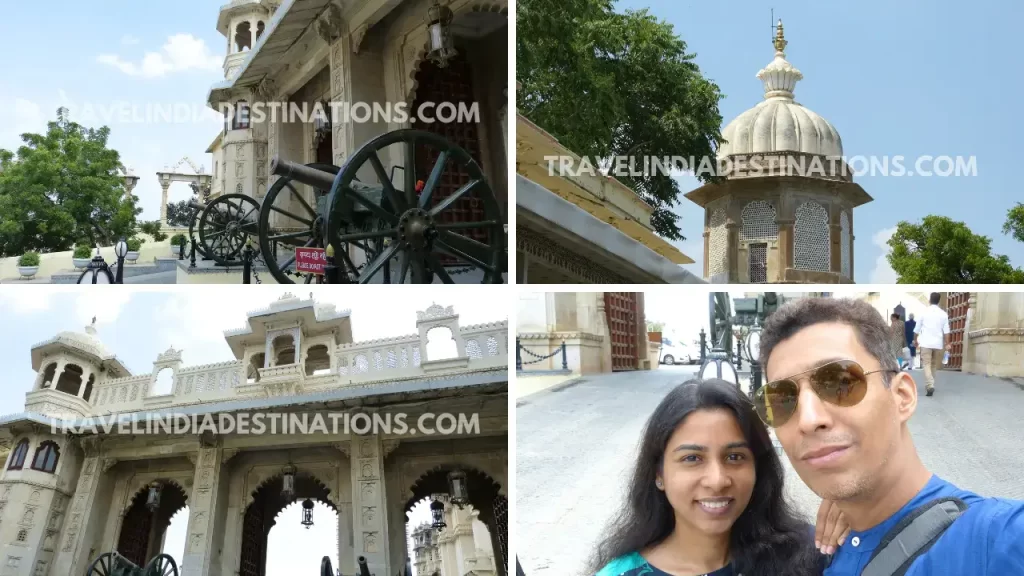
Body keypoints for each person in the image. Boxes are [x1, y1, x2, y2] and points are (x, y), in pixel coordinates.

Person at [755, 297, 1024, 575]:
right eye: (782, 399)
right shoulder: (818, 555)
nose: (809, 420)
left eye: (841, 382)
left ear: (902, 397)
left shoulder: (994, 540)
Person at [589, 378, 848, 576]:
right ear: (659, 474)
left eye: (735, 457)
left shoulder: (805, 558)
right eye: (692, 458)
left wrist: (858, 512)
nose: (717, 480)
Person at [914, 293, 951, 396]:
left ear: (929, 300)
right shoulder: (943, 314)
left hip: (926, 343)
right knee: (933, 364)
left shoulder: (924, 312)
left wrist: (915, 340)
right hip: (937, 343)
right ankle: (930, 384)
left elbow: (917, 329)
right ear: (939, 301)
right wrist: (948, 343)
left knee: (927, 364)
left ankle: (930, 385)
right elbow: (946, 331)